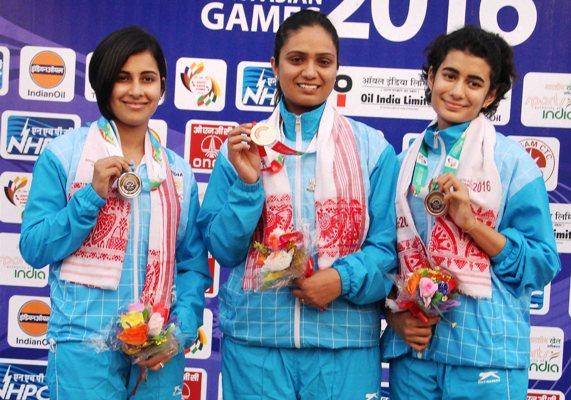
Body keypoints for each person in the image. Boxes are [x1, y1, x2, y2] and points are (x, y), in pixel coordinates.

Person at [198, 9, 398, 400]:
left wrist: (341, 279)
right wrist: (248, 183)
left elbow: (387, 251)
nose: (310, 72)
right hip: (256, 343)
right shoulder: (242, 148)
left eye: (323, 61)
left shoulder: (372, 149)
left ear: (337, 67)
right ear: (274, 66)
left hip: (344, 344)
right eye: (296, 59)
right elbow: (223, 249)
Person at [19, 26, 211, 399]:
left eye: (148, 79)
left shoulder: (176, 171)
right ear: (103, 83)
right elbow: (34, 247)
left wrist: (179, 333)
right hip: (84, 345)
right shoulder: (64, 156)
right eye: (123, 78)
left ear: (163, 87)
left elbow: (192, 264)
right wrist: (90, 196)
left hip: (156, 348)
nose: (137, 90)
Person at [381, 25, 560, 399]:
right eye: (449, 75)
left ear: (490, 93)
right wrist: (393, 318)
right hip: (415, 353)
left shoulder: (514, 165)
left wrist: (471, 224)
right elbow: (383, 258)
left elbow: (541, 264)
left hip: (486, 353)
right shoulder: (400, 165)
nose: (458, 91)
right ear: (431, 77)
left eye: (474, 82)